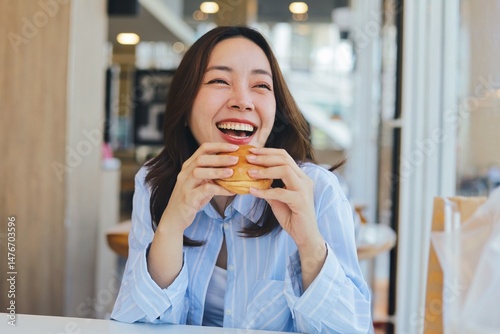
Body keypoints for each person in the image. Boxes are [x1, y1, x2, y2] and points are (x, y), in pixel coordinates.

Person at [111, 26, 373, 333]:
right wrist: (171, 226)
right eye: (219, 80)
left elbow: (353, 329)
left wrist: (309, 242)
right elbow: (137, 324)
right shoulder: (155, 183)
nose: (243, 101)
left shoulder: (316, 191)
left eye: (261, 85)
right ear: (185, 105)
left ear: (276, 113)